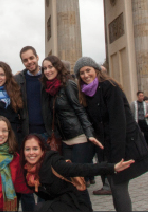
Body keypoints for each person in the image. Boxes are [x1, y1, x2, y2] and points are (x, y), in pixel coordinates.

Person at [74, 57, 148, 210]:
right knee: (115, 185)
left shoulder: (110, 87)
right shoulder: (86, 92)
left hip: (121, 144)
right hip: (106, 146)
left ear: (96, 70)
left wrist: (117, 157)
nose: (85, 75)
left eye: (88, 70)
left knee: (118, 186)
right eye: (81, 73)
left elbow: (119, 123)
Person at [41, 56, 103, 206]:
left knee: (78, 180)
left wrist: (89, 134)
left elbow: (80, 110)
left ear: (58, 67)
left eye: (51, 67)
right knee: (70, 181)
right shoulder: (50, 88)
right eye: (45, 68)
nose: (48, 71)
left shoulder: (68, 84)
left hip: (80, 138)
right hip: (66, 140)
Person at [21, 134, 134, 212]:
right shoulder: (28, 170)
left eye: (35, 149)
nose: (31, 153)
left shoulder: (53, 163)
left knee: (41, 208)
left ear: (42, 151)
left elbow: (82, 168)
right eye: (28, 149)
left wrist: (113, 167)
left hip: (76, 204)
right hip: (59, 202)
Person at [13, 46, 46, 212]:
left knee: (45, 174)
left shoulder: (48, 75)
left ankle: (41, 207)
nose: (29, 62)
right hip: (26, 132)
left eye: (31, 58)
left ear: (37, 57)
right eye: (25, 60)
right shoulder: (18, 79)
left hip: (45, 133)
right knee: (25, 175)